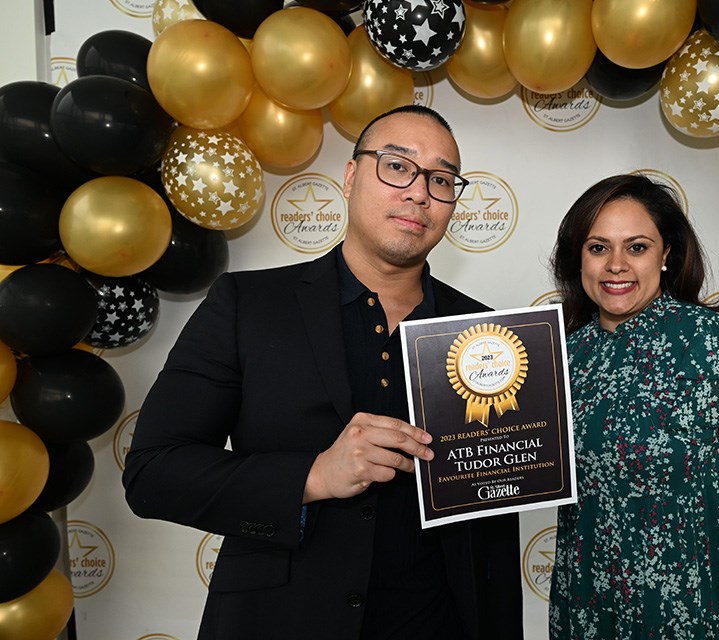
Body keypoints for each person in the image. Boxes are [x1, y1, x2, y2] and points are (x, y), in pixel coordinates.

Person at [123, 105, 523, 640]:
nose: (419, 192)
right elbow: (154, 473)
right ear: (352, 175)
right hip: (279, 622)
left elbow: (495, 525)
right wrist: (314, 476)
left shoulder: (490, 337)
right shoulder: (247, 304)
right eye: (398, 166)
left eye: (441, 179)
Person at [547, 174, 719, 639]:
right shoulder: (561, 357)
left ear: (666, 254)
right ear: (578, 258)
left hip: (700, 612)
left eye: (636, 247)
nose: (615, 265)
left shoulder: (716, 346)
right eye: (597, 247)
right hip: (589, 608)